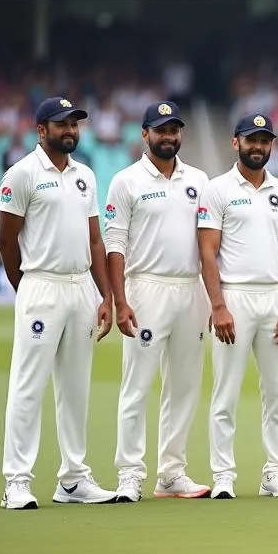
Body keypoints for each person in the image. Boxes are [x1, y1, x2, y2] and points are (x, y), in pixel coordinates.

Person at [0, 97, 116, 509]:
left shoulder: (85, 176)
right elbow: (5, 241)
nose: (70, 130)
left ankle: (73, 479)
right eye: (61, 124)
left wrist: (105, 296)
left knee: (75, 387)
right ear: (41, 130)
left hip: (81, 286)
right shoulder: (22, 174)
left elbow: (95, 240)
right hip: (42, 285)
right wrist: (26, 287)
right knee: (27, 386)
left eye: (74, 124)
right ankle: (16, 480)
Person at [105, 102, 210, 503]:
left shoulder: (199, 180)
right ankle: (129, 473)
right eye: (160, 130)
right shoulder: (126, 181)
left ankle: (171, 473)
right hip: (146, 287)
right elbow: (115, 242)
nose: (168, 137)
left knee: (184, 386)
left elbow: (209, 242)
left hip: (190, 288)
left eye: (174, 130)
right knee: (137, 385)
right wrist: (120, 299)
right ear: (144, 134)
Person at [197, 114, 278, 500]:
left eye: (264, 140)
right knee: (225, 393)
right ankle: (223, 474)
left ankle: (275, 472)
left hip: (273, 297)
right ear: (235, 143)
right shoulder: (217, 189)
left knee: (277, 394)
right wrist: (218, 305)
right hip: (234, 297)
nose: (258, 147)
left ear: (271, 144)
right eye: (250, 140)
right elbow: (207, 251)